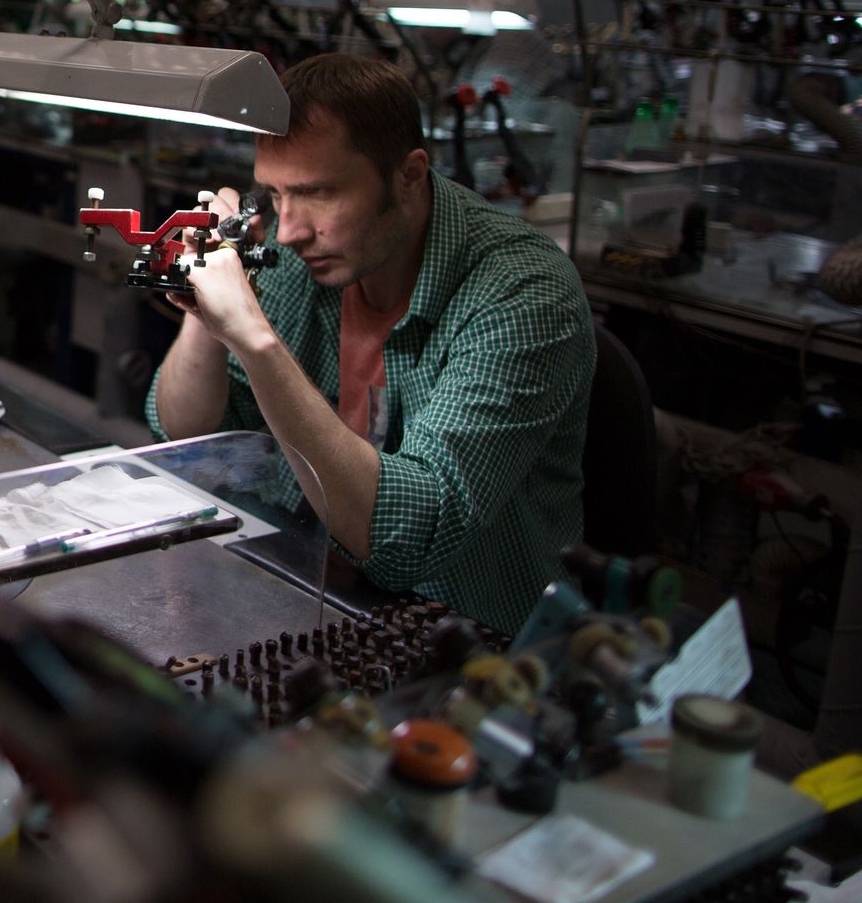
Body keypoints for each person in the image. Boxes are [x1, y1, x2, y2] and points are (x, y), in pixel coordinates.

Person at [147, 53, 592, 633]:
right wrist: (204, 308)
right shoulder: (301, 259)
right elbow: (184, 436)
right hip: (312, 593)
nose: (290, 231)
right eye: (277, 196)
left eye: (320, 193)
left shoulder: (524, 295)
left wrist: (255, 341)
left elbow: (408, 539)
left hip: (468, 642)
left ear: (408, 175)